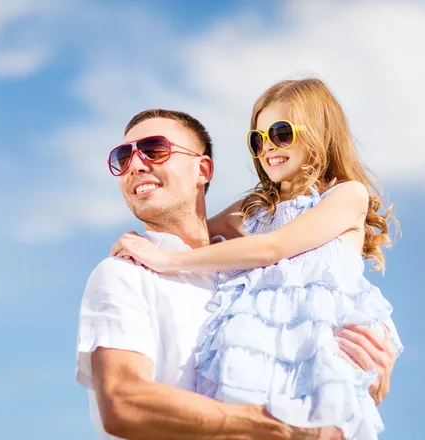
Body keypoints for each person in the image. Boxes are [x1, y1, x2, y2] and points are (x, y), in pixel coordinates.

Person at [77, 107, 398, 440]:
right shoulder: (126, 273)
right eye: (122, 158)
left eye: (155, 150)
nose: (137, 165)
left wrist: (360, 389)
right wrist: (280, 427)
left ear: (202, 169)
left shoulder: (265, 280)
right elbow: (124, 402)